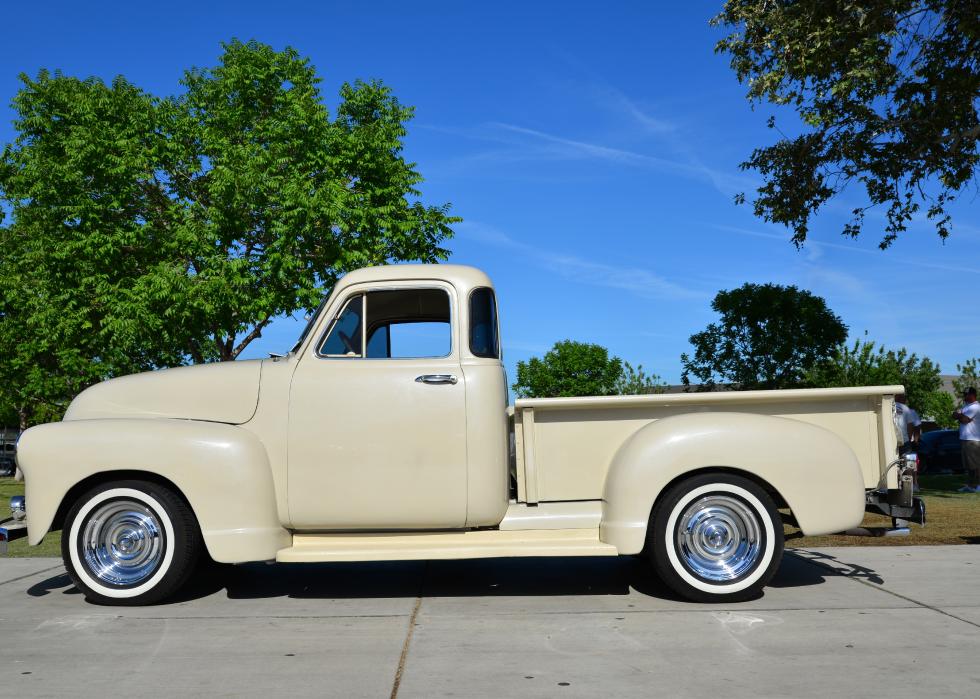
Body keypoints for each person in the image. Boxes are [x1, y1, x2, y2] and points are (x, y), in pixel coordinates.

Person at [954, 387, 980, 492]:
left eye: (966, 394)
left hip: (973, 440)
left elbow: (964, 420)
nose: (964, 396)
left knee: (976, 465)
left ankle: (978, 486)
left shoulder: (975, 407)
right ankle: (970, 485)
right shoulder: (966, 406)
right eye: (964, 394)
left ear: (972, 395)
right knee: (969, 466)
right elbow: (955, 415)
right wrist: (959, 415)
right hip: (965, 439)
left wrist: (958, 415)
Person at [894, 393, 922, 490]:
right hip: (905, 440)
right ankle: (910, 485)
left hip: (891, 440)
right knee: (909, 463)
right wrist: (910, 438)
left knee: (894, 463)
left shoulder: (887, 406)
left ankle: (896, 485)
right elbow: (913, 426)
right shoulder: (907, 409)